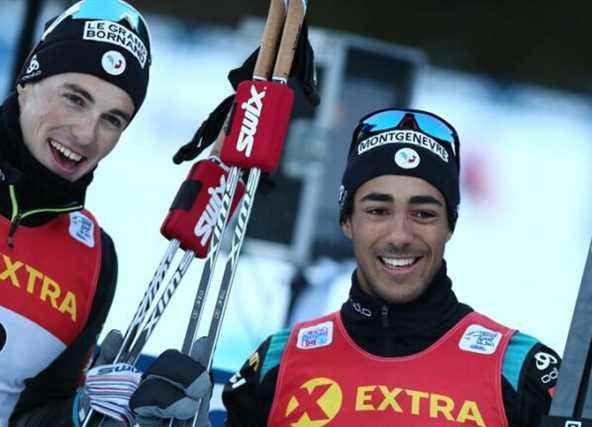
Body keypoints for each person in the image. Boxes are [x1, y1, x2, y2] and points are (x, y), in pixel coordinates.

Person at [222, 108, 560, 426]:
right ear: (347, 221)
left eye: (423, 214)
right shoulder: (278, 363)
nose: (400, 236)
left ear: (450, 227)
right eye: (378, 211)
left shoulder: (519, 372)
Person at [1, 1, 210, 426]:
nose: (86, 135)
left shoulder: (95, 259)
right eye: (74, 99)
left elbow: (33, 414)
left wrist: (83, 413)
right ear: (28, 80)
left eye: (112, 120)